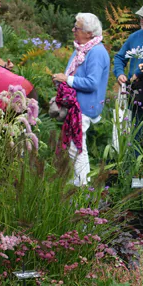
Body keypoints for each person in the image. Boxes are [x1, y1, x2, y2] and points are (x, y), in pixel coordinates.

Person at [52, 13, 110, 186]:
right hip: (76, 106)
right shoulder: (82, 49)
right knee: (74, 146)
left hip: (85, 106)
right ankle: (77, 183)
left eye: (77, 28)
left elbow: (92, 83)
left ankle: (82, 186)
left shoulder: (97, 52)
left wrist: (67, 80)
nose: (73, 30)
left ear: (89, 33)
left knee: (76, 147)